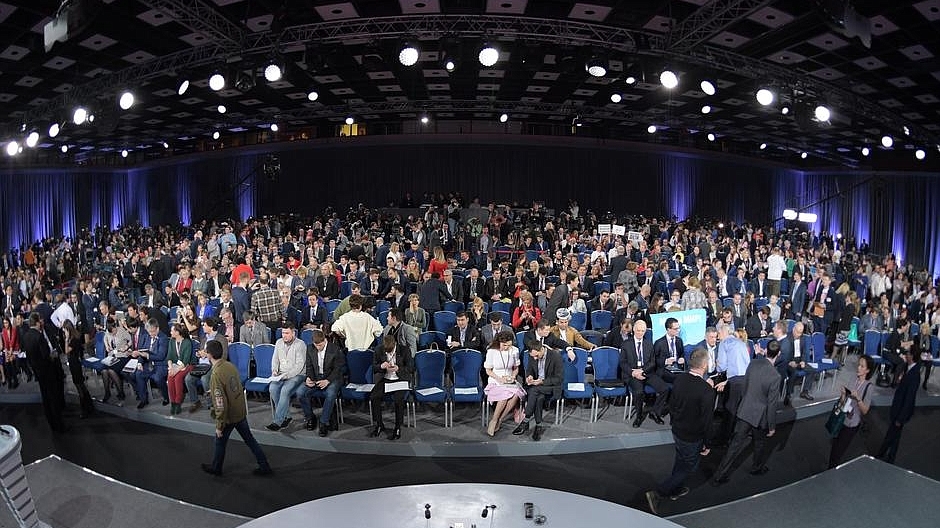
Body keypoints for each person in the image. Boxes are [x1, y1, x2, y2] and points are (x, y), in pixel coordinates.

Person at [645, 348, 717, 515]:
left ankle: (674, 489)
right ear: (705, 365)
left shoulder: (679, 379)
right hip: (692, 436)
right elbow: (707, 420)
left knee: (680, 460)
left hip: (677, 430)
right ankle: (659, 492)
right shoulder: (706, 390)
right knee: (689, 467)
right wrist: (707, 443)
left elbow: (673, 405)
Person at [712, 340, 782, 485]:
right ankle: (756, 468)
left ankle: (719, 475)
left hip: (745, 410)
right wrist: (772, 426)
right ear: (779, 354)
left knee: (735, 445)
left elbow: (745, 386)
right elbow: (772, 404)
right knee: (759, 443)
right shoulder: (775, 376)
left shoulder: (753, 363)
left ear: (766, 350)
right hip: (760, 417)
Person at [201, 340, 272, 477]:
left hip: (229, 416)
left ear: (209, 354)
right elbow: (234, 388)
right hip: (240, 412)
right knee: (250, 440)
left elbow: (220, 404)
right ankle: (264, 465)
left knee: (219, 441)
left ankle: (216, 468)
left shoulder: (216, 374)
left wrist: (219, 425)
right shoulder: (230, 366)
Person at [22, 312, 67, 432]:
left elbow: (29, 357)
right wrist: (52, 356)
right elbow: (46, 355)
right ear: (37, 322)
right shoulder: (39, 336)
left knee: (46, 398)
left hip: (38, 373)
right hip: (48, 372)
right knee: (53, 398)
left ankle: (52, 423)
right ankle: (58, 424)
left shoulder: (26, 336)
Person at [294, 329, 345, 436]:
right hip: (316, 377)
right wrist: (309, 378)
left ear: (325, 340)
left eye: (320, 345)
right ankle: (310, 417)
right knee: (300, 393)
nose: (318, 347)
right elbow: (309, 366)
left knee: (330, 394)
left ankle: (323, 422)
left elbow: (338, 369)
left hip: (332, 378)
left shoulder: (335, 349)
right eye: (316, 345)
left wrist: (327, 380)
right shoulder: (310, 348)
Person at [828, 355, 874, 468]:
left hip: (852, 424)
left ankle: (831, 470)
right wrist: (843, 394)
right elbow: (843, 401)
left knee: (839, 450)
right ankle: (830, 467)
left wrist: (858, 399)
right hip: (842, 418)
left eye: (862, 366)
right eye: (859, 365)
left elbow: (865, 411)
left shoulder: (869, 387)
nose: (858, 368)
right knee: (834, 447)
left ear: (867, 370)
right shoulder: (853, 379)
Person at [876, 346, 919, 464]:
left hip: (901, 411)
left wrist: (901, 418)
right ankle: (889, 457)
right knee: (895, 435)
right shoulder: (908, 368)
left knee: (892, 434)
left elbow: (909, 399)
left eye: (908, 353)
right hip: (898, 408)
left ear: (912, 356)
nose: (906, 355)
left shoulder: (915, 375)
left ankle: (882, 454)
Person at [512, 341, 562, 441]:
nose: (534, 358)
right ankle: (538, 426)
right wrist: (529, 377)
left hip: (551, 386)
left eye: (536, 356)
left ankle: (525, 420)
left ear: (542, 349)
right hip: (537, 387)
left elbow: (559, 379)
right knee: (539, 397)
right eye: (533, 356)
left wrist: (541, 381)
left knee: (534, 391)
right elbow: (529, 370)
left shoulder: (555, 356)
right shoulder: (533, 355)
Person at [369, 334, 414, 440]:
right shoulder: (378, 350)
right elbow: (374, 367)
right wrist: (381, 366)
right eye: (387, 352)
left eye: (390, 351)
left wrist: (399, 368)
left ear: (395, 344)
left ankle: (397, 427)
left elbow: (411, 368)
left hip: (400, 379)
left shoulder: (404, 350)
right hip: (385, 379)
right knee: (374, 396)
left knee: (399, 399)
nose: (388, 353)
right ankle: (379, 424)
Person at [483, 330, 526, 436]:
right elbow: (488, 371)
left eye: (509, 345)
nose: (506, 347)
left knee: (515, 395)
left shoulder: (514, 351)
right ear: (499, 342)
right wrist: (499, 379)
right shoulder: (492, 351)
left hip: (509, 380)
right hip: (495, 379)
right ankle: (494, 420)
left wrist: (513, 376)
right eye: (504, 345)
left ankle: (500, 419)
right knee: (504, 396)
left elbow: (516, 368)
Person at [265, 322, 308, 431]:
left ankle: (277, 421)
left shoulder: (300, 344)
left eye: (287, 333)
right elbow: (275, 359)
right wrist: (274, 370)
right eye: (283, 333)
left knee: (285, 390)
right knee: (272, 388)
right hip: (281, 374)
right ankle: (287, 416)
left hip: (297, 375)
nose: (284, 335)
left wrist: (287, 375)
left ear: (293, 333)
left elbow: (299, 365)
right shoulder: (279, 342)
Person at [132, 318, 169, 409]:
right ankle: (143, 399)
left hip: (160, 365)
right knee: (138, 374)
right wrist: (140, 363)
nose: (151, 334)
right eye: (149, 332)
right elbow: (142, 350)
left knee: (157, 378)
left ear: (157, 328)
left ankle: (166, 396)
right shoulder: (147, 336)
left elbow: (161, 356)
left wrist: (147, 356)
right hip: (148, 364)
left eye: (152, 331)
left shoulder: (163, 338)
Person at [62, 319, 94, 418]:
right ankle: (89, 406)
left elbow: (66, 351)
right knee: (81, 386)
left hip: (75, 364)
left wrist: (66, 339)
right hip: (74, 363)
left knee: (80, 386)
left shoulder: (74, 339)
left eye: (65, 330)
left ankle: (85, 409)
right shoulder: (75, 337)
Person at [166, 323, 195, 415]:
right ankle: (173, 402)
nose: (170, 332)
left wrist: (176, 370)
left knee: (178, 378)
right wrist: (171, 368)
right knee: (170, 377)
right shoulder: (171, 341)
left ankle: (178, 402)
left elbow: (186, 360)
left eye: (172, 331)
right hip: (175, 365)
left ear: (177, 332)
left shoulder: (187, 342)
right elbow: (169, 356)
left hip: (187, 365)